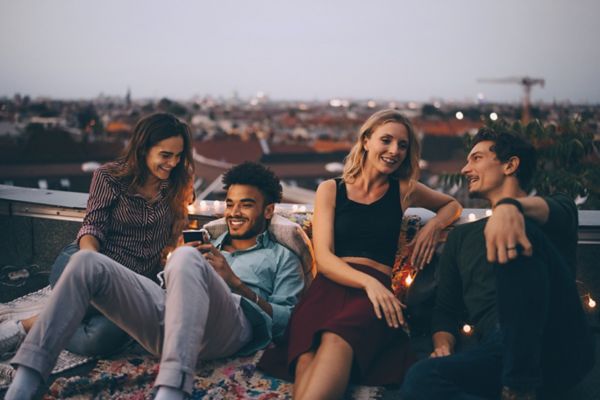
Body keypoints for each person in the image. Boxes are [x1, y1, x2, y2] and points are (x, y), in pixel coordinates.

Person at [5, 161, 305, 400]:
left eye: (246, 204)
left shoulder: (283, 257)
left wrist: (233, 281)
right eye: (230, 204)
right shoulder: (208, 242)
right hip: (168, 321)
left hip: (230, 327)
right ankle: (27, 380)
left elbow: (287, 323)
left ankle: (172, 389)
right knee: (87, 261)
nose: (234, 212)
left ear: (268, 210)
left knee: (187, 260)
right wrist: (173, 267)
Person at [259, 109, 462, 399]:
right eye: (386, 140)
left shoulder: (404, 189)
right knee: (307, 354)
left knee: (336, 338)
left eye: (402, 145)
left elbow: (453, 205)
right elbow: (325, 259)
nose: (394, 151)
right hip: (330, 288)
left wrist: (435, 227)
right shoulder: (331, 189)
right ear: (366, 141)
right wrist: (369, 284)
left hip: (371, 297)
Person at [401, 126, 595, 400]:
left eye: (476, 158)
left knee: (517, 231)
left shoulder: (551, 210)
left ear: (510, 165)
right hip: (499, 348)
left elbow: (560, 211)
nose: (465, 169)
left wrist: (510, 207)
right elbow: (445, 311)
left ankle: (519, 384)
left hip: (556, 338)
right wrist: (442, 346)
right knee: (421, 379)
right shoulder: (463, 237)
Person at [0, 112, 195, 359]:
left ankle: (38, 321)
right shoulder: (109, 177)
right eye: (165, 155)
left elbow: (176, 233)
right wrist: (92, 266)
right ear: (143, 149)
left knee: (101, 340)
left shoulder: (179, 183)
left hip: (135, 281)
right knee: (100, 301)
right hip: (85, 261)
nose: (173, 163)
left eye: (178, 156)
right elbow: (92, 227)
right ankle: (25, 327)